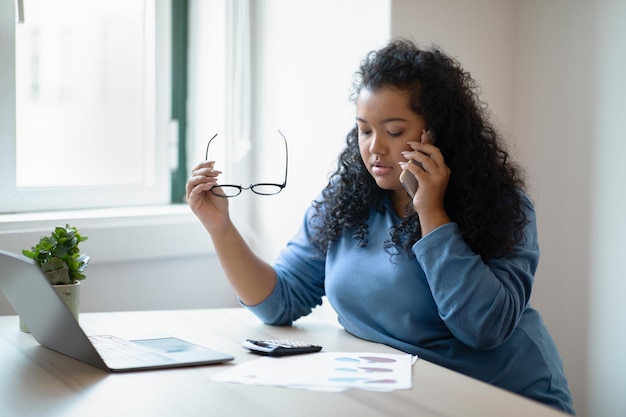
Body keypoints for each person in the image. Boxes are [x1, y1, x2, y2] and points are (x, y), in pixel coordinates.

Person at [186, 39, 574, 414]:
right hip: (404, 399)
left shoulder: (501, 205)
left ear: (435, 134)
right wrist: (220, 227)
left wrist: (432, 212)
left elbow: (484, 328)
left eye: (393, 131)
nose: (374, 147)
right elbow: (277, 302)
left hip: (505, 400)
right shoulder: (347, 199)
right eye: (364, 130)